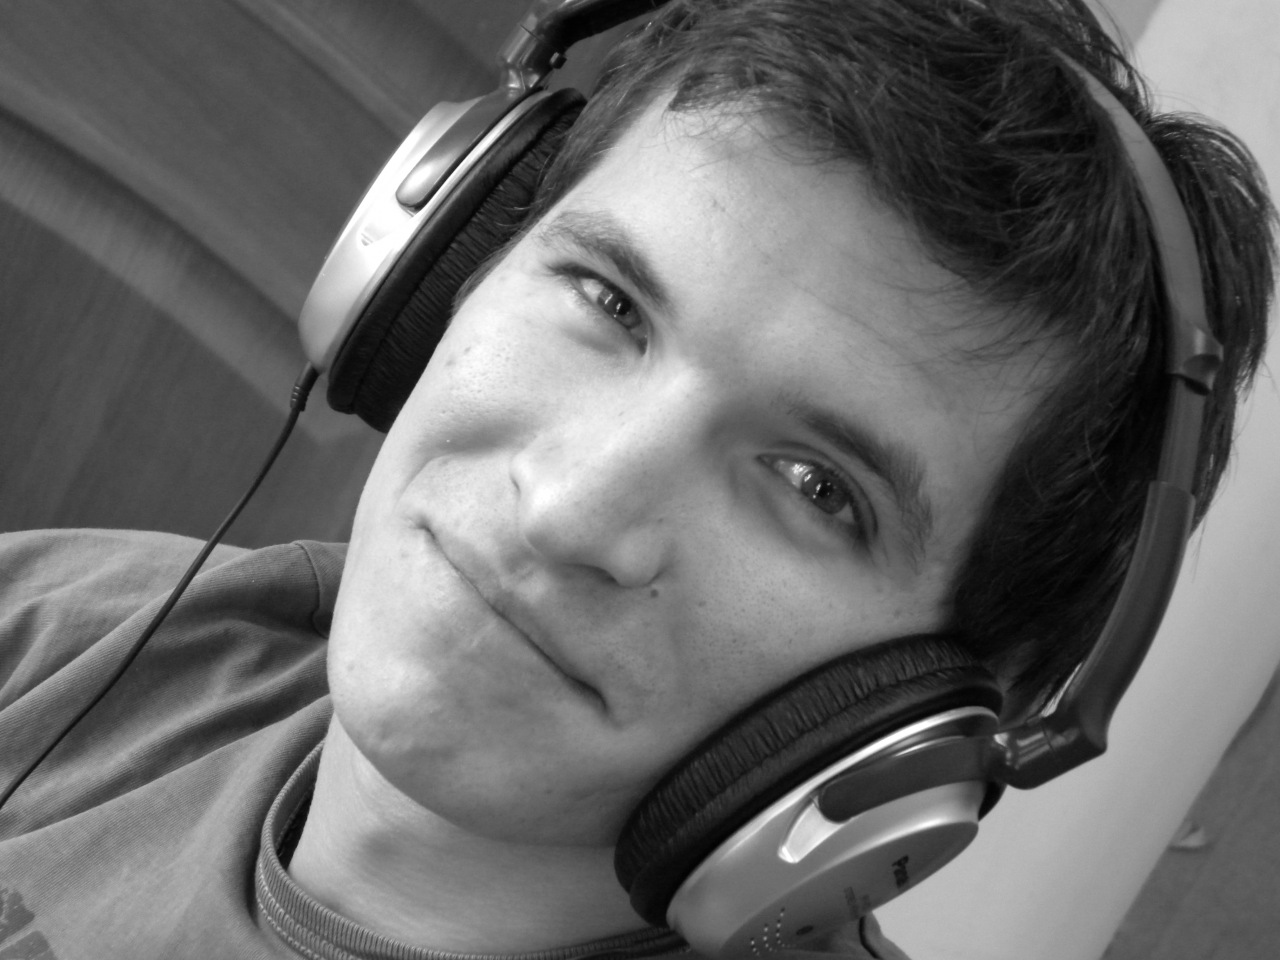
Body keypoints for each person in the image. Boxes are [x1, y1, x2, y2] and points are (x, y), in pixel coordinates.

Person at [0, 0, 1273, 958]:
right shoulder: (69, 624)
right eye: (607, 302)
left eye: (812, 485)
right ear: (440, 268)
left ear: (920, 715)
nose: (572, 513)